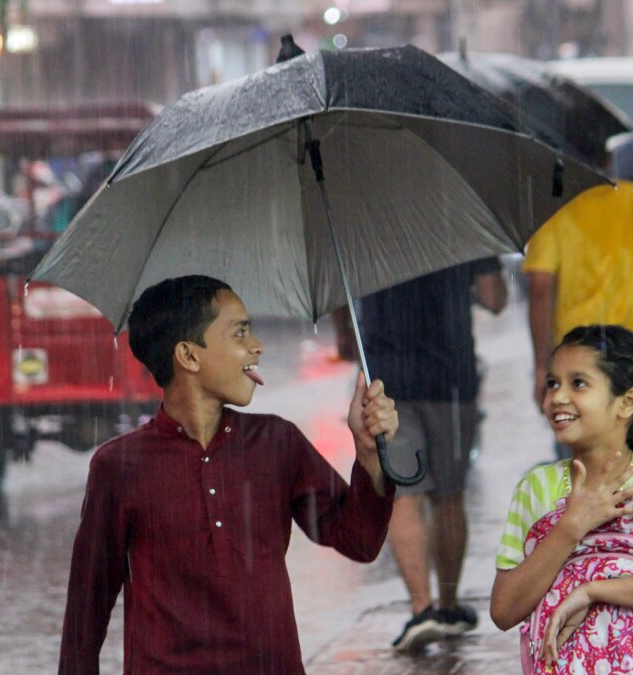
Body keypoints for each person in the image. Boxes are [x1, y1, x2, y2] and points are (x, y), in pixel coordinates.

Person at [58, 275, 398, 674]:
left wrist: (370, 454)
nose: (257, 346)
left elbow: (359, 540)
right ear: (188, 356)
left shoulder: (277, 442)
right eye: (240, 333)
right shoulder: (119, 466)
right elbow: (87, 603)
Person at [489, 325, 633, 672]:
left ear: (626, 402)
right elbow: (505, 610)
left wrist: (595, 591)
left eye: (578, 383)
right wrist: (573, 525)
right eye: (552, 383)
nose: (557, 397)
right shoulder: (535, 488)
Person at [357, 259, 508, 650]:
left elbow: (340, 296)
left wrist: (347, 335)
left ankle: (421, 609)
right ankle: (449, 605)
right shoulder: (457, 210)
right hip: (450, 375)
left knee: (403, 493)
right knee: (449, 495)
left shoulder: (361, 215)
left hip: (386, 375)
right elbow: (494, 298)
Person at [523, 148, 633, 461]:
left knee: (581, 471)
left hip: (577, 368)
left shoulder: (554, 210)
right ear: (608, 157)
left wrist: (543, 369)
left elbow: (540, 290)